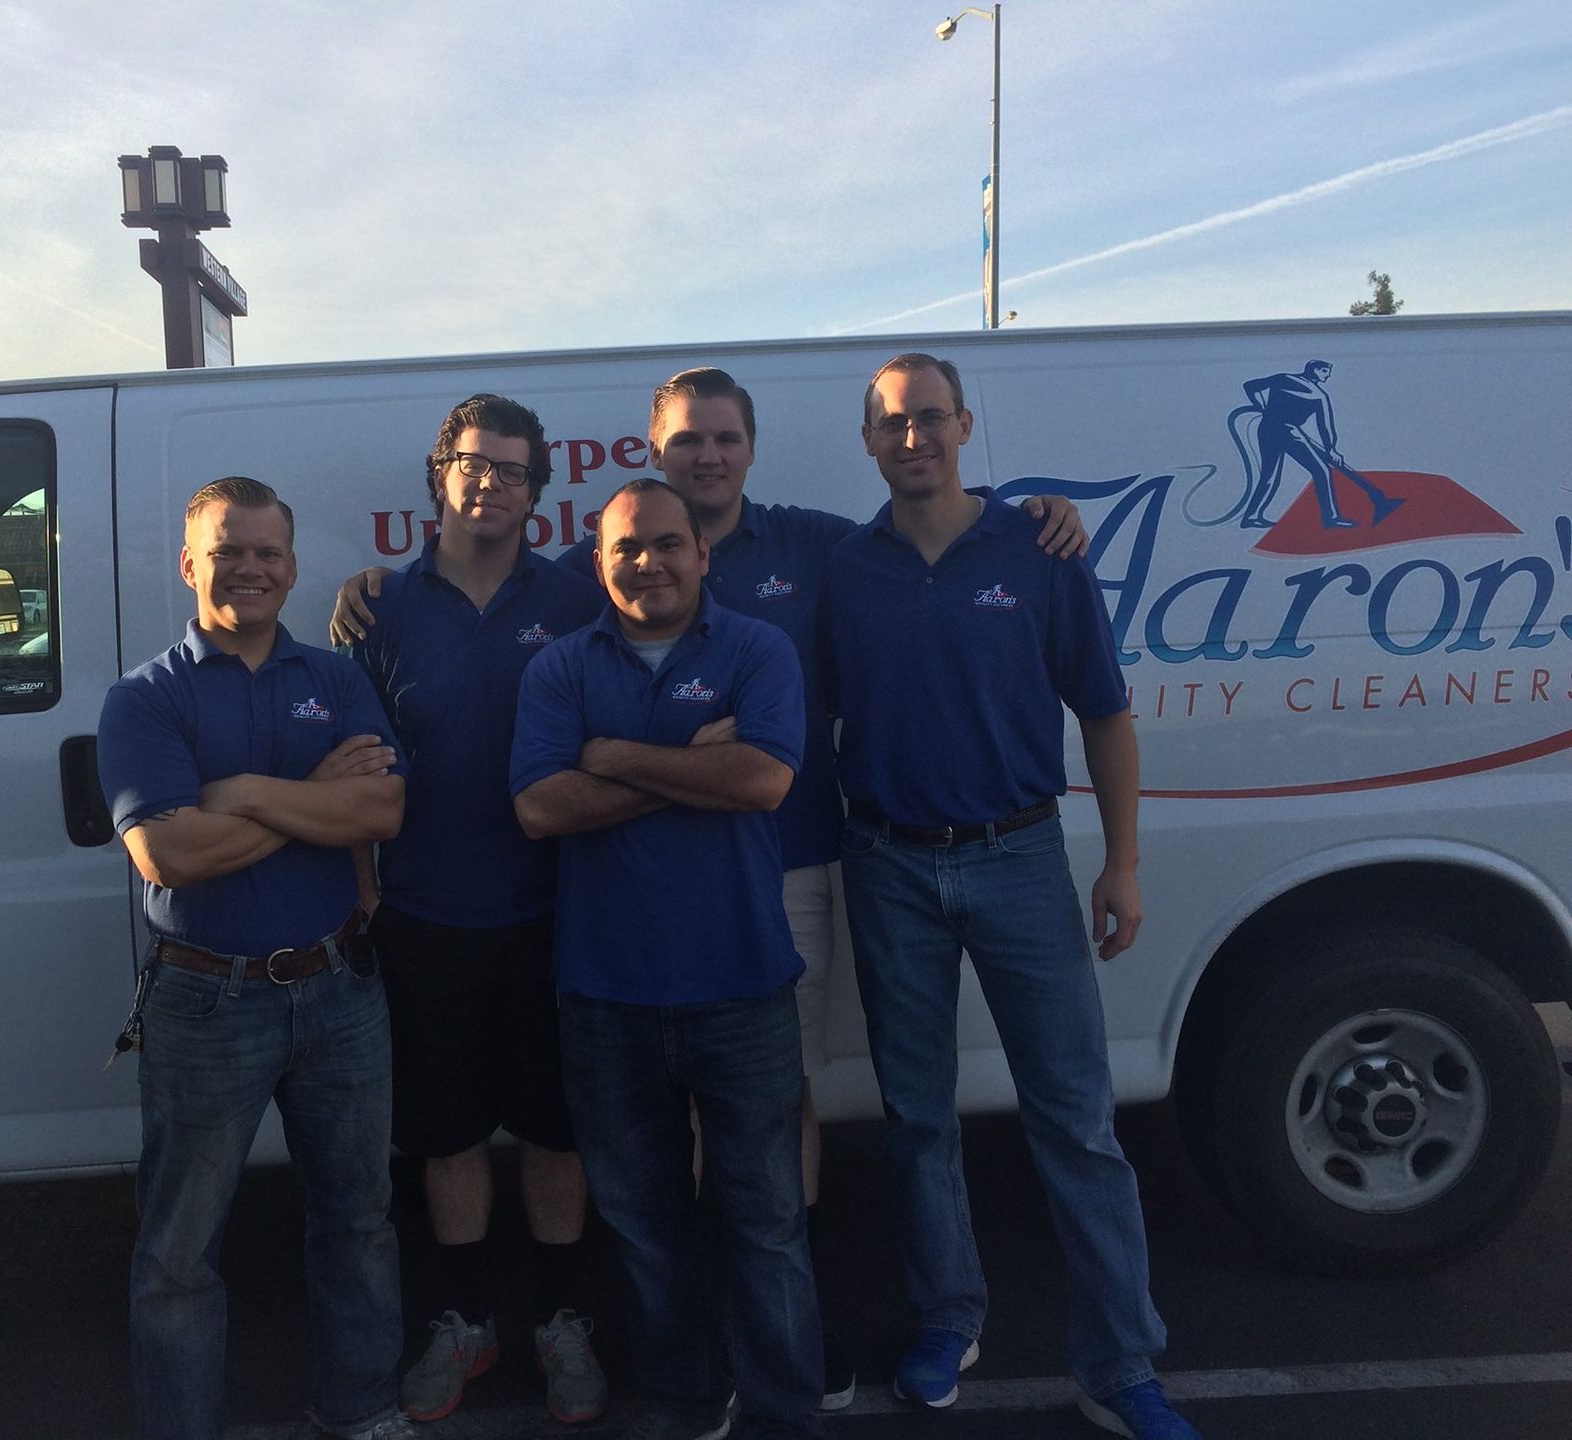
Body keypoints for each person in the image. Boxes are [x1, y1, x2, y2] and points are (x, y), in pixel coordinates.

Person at [331, 367, 1087, 1412]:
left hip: (758, 880)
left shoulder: (792, 562)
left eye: (726, 437)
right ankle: (649, 1357)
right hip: (543, 915)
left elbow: (921, 538)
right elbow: (515, 795)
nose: (708, 456)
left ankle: (774, 1338)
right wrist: (684, 760)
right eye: (689, 440)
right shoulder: (488, 606)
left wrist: (1032, 515)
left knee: (754, 1132)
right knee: (554, 1144)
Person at [820, 355, 1200, 1440]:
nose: (912, 439)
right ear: (868, 440)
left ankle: (1121, 1366)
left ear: (964, 426)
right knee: (918, 1121)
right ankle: (949, 1319)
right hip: (887, 862)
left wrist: (1121, 864)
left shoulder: (1039, 549)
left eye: (929, 418)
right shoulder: (848, 567)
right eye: (892, 423)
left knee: (1076, 1122)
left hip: (1020, 858)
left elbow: (1106, 714)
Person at [96, 476, 413, 1440]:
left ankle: (362, 1410)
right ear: (190, 563)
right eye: (229, 550)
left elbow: (383, 810)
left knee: (359, 1223)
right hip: (206, 1001)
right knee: (179, 1255)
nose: (251, 568)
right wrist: (310, 793)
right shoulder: (142, 698)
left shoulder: (338, 679)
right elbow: (172, 854)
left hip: (337, 988)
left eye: (268, 552)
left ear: (293, 566)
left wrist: (241, 792)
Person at [511, 479, 821, 1440]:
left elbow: (764, 779)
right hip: (606, 993)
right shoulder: (559, 669)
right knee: (648, 1230)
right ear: (596, 561)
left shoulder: (758, 648)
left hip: (742, 984)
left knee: (767, 1227)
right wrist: (689, 762)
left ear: (703, 554)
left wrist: (611, 755)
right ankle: (690, 1404)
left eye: (667, 545)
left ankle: (783, 1413)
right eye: (626, 549)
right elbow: (538, 809)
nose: (648, 563)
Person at [345, 395, 609, 1424]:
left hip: (557, 915)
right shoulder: (376, 612)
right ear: (437, 473)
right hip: (427, 919)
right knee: (446, 1135)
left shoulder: (582, 600)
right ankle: (464, 1323)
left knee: (555, 1132)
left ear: (538, 490)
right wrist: (365, 890)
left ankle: (560, 1319)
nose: (488, 482)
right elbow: (353, 769)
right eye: (471, 463)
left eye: (510, 469)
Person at [1240, 360, 1398, 529]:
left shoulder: (1286, 380)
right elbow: (1325, 426)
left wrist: (1262, 407)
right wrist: (1331, 450)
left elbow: (1250, 386)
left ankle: (1251, 516)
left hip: (1269, 427)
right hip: (1287, 431)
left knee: (1270, 475)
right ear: (1313, 369)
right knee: (1321, 470)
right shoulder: (1316, 394)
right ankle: (1331, 519)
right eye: (1324, 371)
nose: (1328, 375)